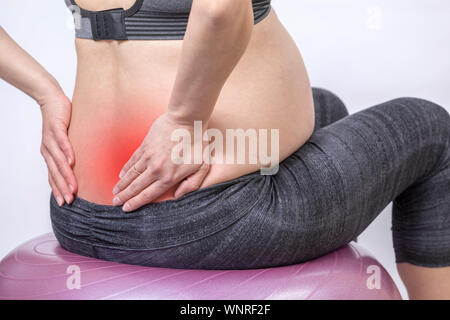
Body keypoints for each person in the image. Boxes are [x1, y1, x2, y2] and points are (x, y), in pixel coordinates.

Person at [0, 0, 449, 300]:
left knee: (325, 106)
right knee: (431, 127)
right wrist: (182, 119)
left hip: (81, 214)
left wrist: (47, 94)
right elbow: (219, 8)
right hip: (213, 216)